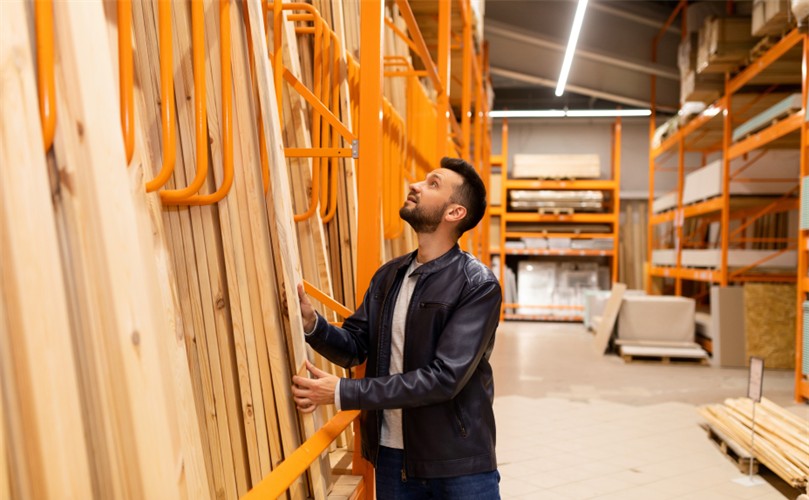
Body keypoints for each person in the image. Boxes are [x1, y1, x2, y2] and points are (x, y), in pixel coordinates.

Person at [292, 157, 502, 499]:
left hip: (457, 465)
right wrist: (312, 325)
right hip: (392, 459)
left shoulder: (476, 285)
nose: (414, 185)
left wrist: (345, 393)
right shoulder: (389, 275)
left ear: (454, 213)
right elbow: (357, 345)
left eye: (432, 184)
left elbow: (444, 378)